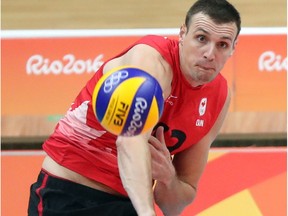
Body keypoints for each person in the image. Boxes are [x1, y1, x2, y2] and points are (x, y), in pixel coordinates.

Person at [28, 0, 241, 215]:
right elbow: (130, 141)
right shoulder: (151, 61)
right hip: (67, 192)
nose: (209, 53)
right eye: (201, 38)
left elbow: (174, 205)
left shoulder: (219, 97)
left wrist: (168, 178)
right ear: (182, 34)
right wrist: (147, 213)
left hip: (128, 201)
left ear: (233, 47)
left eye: (222, 44)